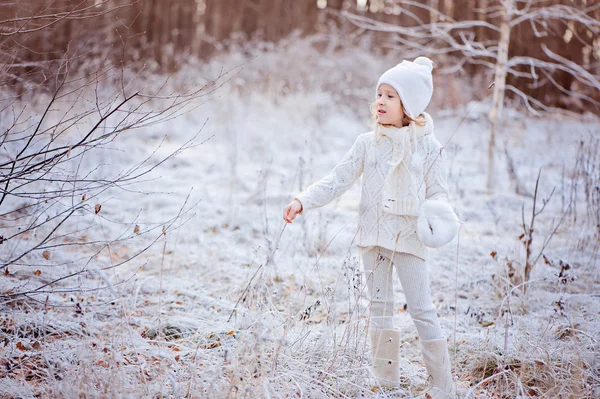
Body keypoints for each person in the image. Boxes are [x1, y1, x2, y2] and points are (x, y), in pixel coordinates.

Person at [282, 57, 459, 399]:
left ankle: (442, 386)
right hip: (373, 238)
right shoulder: (367, 143)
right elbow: (338, 179)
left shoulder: (430, 148)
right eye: (379, 94)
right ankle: (385, 381)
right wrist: (302, 200)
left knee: (421, 308)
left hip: (409, 239)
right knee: (379, 306)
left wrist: (437, 221)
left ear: (409, 105)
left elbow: (439, 194)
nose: (380, 101)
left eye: (390, 96)